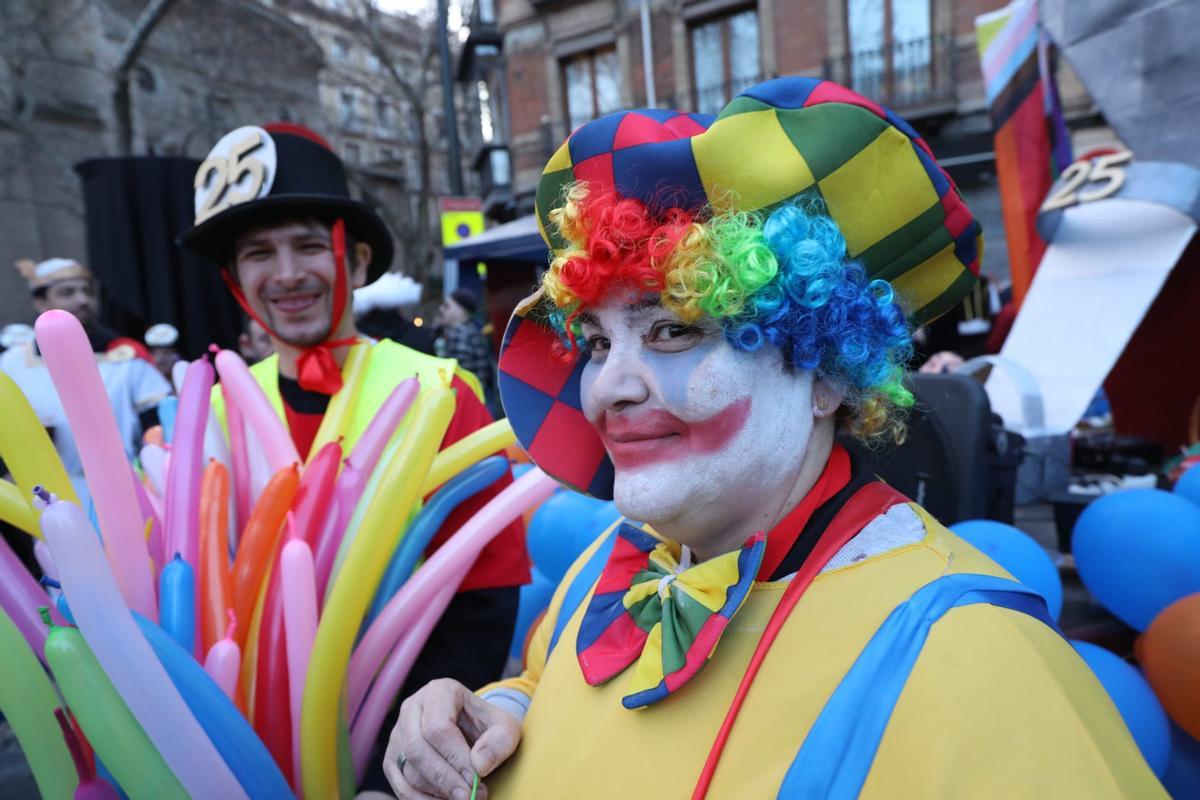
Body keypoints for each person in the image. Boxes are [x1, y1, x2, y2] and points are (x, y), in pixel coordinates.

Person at [384, 78, 1165, 798]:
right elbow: (547, 687)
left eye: (672, 330)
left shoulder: (973, 656)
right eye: (595, 342)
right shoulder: (609, 565)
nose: (607, 388)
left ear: (825, 373)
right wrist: (491, 712)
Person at [178, 122, 529, 781]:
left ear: (358, 261)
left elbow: (484, 596)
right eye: (259, 253)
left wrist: (391, 775)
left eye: (310, 245)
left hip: (393, 747)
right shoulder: (217, 410)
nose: (287, 274)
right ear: (234, 278)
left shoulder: (440, 391)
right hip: (244, 750)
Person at [2, 258, 171, 504]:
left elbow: (160, 427)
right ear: (40, 302)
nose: (82, 300)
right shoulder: (11, 364)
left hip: (124, 492)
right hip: (42, 498)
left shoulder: (125, 357)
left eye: (87, 291)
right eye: (67, 293)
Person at [436, 288, 496, 411]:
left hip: (467, 401)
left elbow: (455, 377)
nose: (441, 309)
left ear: (460, 311)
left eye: (447, 306)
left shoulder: (459, 334)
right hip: (479, 397)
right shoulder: (472, 330)